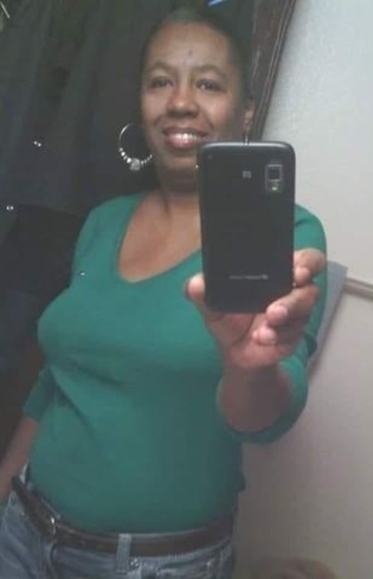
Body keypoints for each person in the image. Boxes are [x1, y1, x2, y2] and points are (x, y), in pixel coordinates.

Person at [0, 6, 327, 579]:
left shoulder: (288, 234)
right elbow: (58, 376)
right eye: (159, 82)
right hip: (22, 532)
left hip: (154, 565)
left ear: (246, 109)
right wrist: (5, 486)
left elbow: (267, 420)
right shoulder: (103, 221)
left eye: (208, 84)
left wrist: (245, 363)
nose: (179, 101)